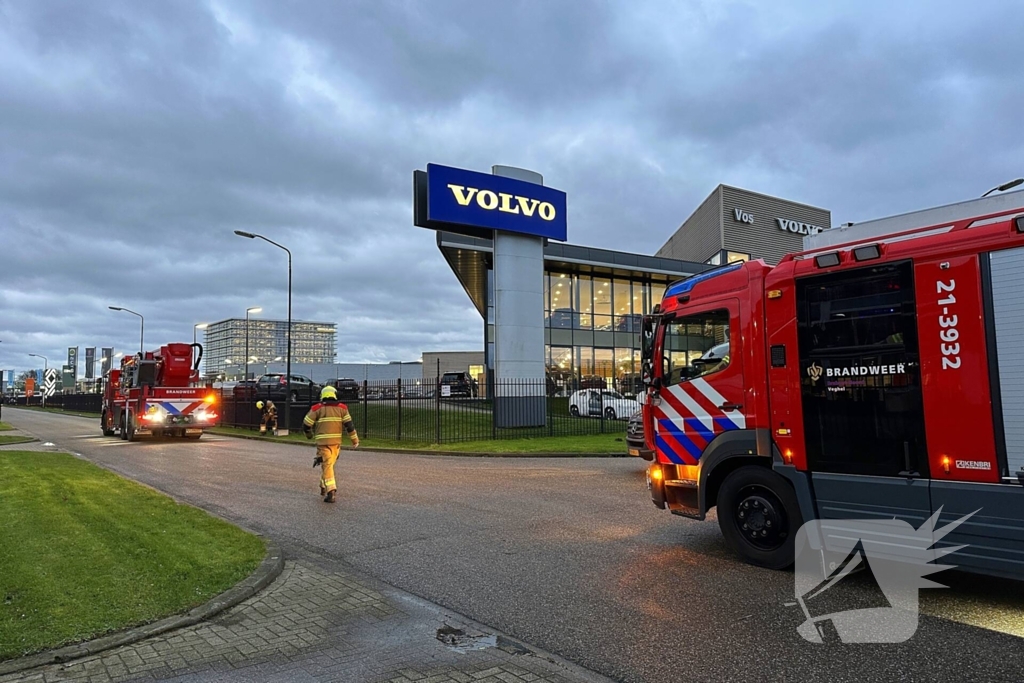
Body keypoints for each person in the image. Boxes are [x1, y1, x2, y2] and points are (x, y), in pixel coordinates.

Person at [302, 385, 360, 503]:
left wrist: (309, 435)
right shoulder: (342, 408)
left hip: (323, 444)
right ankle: (325, 486)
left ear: (322, 395)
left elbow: (306, 424)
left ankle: (330, 491)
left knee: (327, 465)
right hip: (336, 444)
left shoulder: (317, 408)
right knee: (328, 465)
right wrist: (355, 440)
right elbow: (349, 426)